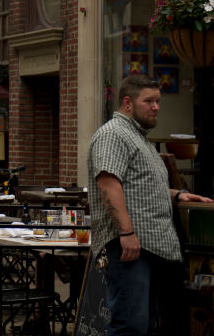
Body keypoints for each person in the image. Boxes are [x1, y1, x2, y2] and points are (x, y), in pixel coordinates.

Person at [88, 74, 212, 335]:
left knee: (146, 324)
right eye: (149, 101)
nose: (156, 107)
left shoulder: (138, 138)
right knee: (129, 326)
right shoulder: (114, 134)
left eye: (158, 101)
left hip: (152, 248)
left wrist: (178, 195)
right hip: (132, 249)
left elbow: (138, 186)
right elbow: (108, 184)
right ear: (128, 103)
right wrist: (127, 233)